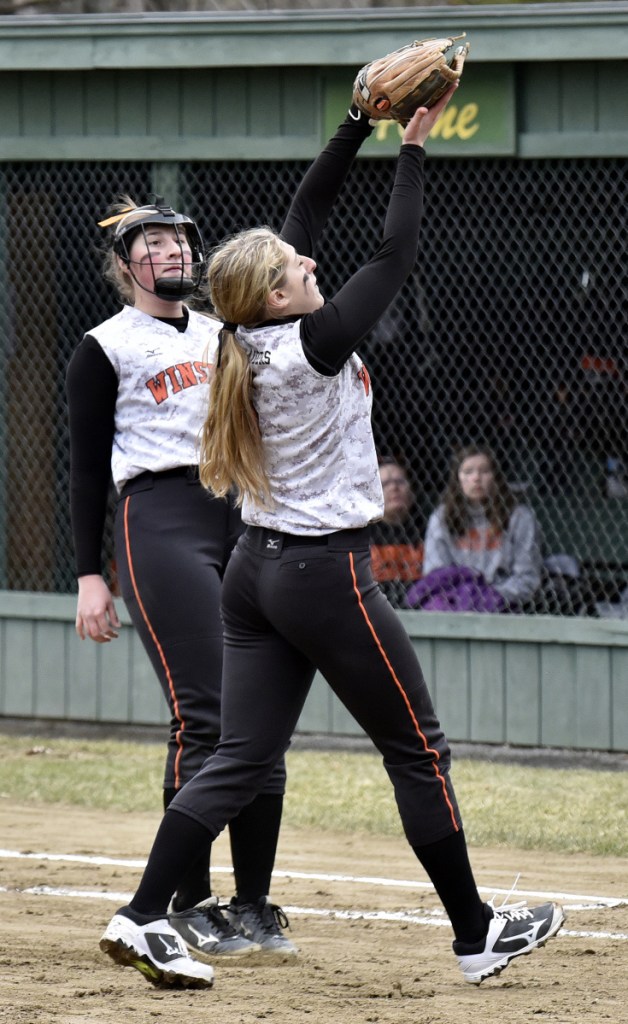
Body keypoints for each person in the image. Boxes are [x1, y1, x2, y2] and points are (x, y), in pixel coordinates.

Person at [99, 87, 564, 990]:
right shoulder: (309, 344)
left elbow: (305, 214)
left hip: (254, 573)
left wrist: (357, 123)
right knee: (418, 750)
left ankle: (143, 914)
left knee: (239, 754)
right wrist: (415, 148)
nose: (309, 260)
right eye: (293, 267)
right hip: (324, 576)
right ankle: (477, 935)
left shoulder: (241, 332)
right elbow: (396, 253)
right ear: (274, 295)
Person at [65, 195, 296, 967]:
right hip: (157, 516)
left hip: (238, 509)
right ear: (126, 265)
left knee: (262, 715)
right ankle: (188, 906)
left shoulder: (225, 334)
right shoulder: (105, 345)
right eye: (152, 242)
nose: (170, 251)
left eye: (177, 239)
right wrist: (88, 574)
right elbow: (86, 466)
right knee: (207, 715)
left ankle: (254, 905)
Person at [407, 444, 542, 612]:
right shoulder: (441, 518)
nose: (476, 478)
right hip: (453, 604)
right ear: (458, 478)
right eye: (468, 472)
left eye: (484, 471)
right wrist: (462, 597)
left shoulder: (519, 517)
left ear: (496, 477)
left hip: (506, 606)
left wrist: (491, 597)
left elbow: (527, 576)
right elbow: (436, 573)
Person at [370, 457, 424, 608]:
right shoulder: (363, 533)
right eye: (385, 484)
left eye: (400, 482)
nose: (394, 487)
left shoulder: (426, 529)